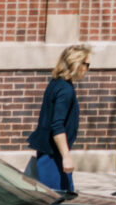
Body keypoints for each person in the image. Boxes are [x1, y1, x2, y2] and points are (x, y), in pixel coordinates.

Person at [29, 43, 90, 195]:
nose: (88, 69)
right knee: (58, 201)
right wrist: (66, 156)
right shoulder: (65, 90)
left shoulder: (56, 84)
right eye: (87, 65)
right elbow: (57, 125)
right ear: (76, 63)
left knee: (56, 198)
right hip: (53, 156)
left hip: (48, 153)